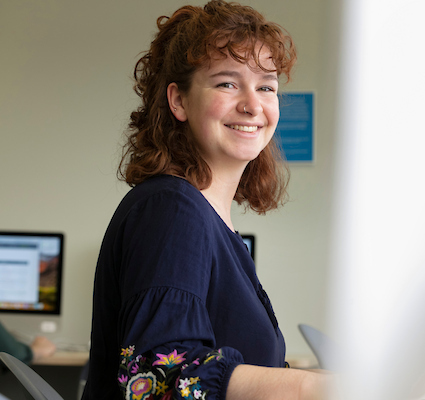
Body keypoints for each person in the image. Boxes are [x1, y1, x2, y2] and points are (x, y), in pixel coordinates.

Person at [83, 1, 330, 399]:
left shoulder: (208, 219)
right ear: (178, 101)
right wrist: (313, 387)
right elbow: (154, 380)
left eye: (266, 86)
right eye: (227, 83)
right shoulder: (171, 210)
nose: (253, 104)